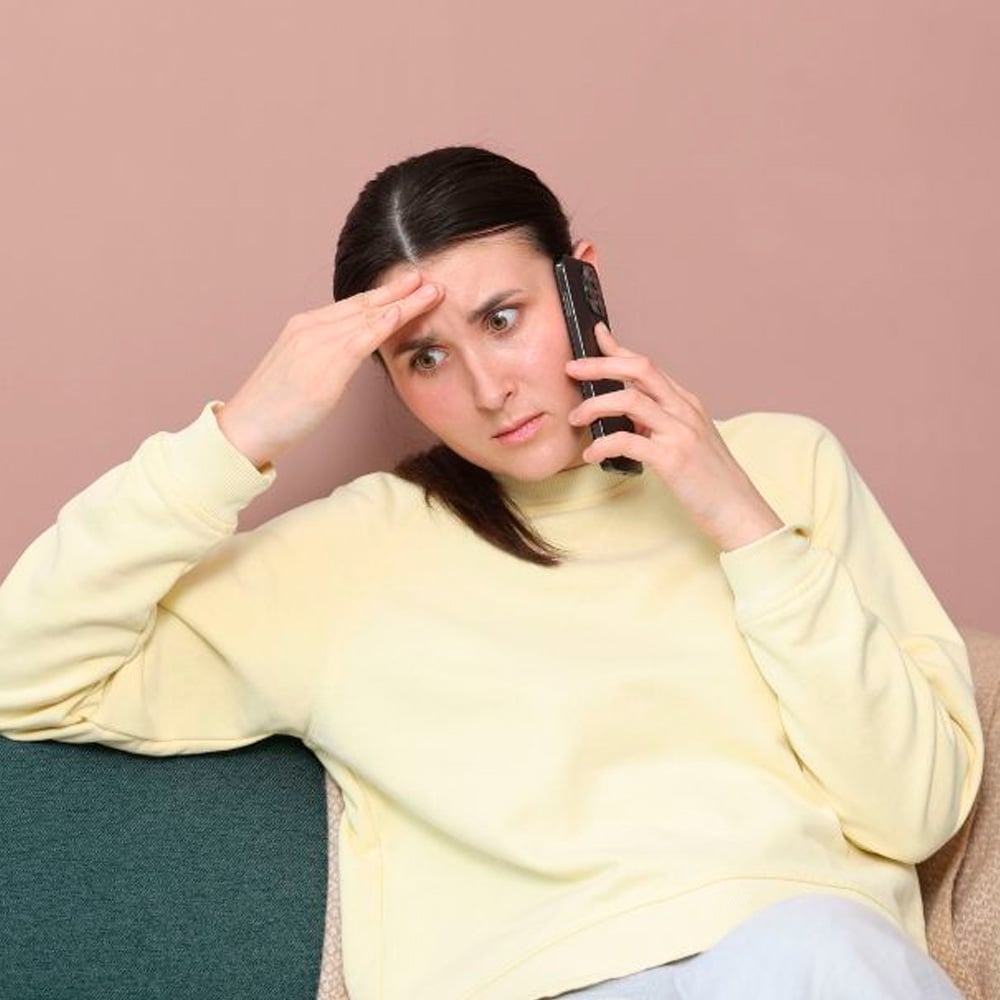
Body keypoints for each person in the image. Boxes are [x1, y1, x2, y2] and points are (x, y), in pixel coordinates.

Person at [0, 145, 984, 1000]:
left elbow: (913, 808)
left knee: (815, 949)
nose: (483, 387)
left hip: (801, 957)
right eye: (423, 357)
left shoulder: (781, 469)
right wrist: (239, 433)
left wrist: (742, 524)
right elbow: (24, 670)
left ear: (579, 281)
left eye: (503, 318)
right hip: (544, 981)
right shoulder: (347, 558)